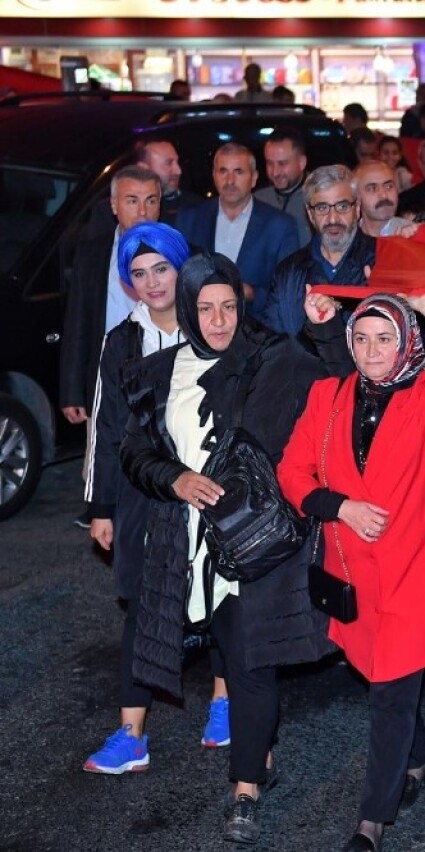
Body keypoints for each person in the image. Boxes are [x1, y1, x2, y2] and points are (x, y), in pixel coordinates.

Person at [120, 252, 331, 845]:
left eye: (229, 307)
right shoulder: (159, 372)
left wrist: (325, 328)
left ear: (243, 305)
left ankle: (245, 789)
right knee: (197, 647)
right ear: (187, 310)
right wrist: (176, 479)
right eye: (206, 309)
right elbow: (135, 453)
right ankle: (257, 749)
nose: (218, 321)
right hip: (181, 545)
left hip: (249, 545)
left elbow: (334, 379)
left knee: (248, 663)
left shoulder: (273, 359)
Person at [278, 290, 425, 852]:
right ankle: (418, 758)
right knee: (384, 679)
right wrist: (338, 506)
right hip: (354, 572)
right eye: (361, 338)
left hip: (414, 572)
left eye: (385, 338)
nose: (372, 350)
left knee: (388, 692)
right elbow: (292, 470)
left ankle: (371, 821)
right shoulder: (327, 396)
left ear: (407, 341)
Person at [82, 222, 231, 774]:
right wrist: (102, 507)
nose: (151, 282)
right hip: (145, 492)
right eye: (138, 274)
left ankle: (224, 700)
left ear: (181, 266)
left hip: (210, 487)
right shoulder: (121, 341)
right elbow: (107, 425)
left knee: (219, 595)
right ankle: (131, 734)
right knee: (144, 606)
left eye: (161, 269)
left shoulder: (212, 328)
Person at [62, 166, 161, 431]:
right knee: (100, 467)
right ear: (114, 205)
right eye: (132, 201)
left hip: (161, 382)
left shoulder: (178, 254)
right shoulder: (92, 254)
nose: (143, 211)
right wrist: (72, 390)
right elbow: (78, 323)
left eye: (151, 201)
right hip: (106, 381)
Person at [175, 143, 300, 322]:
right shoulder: (189, 220)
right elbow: (179, 279)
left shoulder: (280, 226)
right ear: (214, 175)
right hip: (201, 328)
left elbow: (287, 291)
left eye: (239, 172)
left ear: (254, 178)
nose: (230, 181)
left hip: (258, 331)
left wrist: (251, 293)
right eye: (223, 171)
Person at [262, 165, 376, 336]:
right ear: (310, 213)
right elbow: (271, 342)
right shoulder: (288, 272)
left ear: (357, 207)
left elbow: (414, 337)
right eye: (322, 208)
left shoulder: (382, 260)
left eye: (342, 206)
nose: (333, 218)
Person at [254, 127, 311, 247]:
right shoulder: (257, 200)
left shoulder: (321, 198)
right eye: (270, 163)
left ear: (301, 163)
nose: (275, 172)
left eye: (282, 163)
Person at [355, 160, 417, 238]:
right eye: (372, 189)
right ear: (356, 197)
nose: (384, 195)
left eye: (389, 186)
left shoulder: (414, 234)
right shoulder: (346, 241)